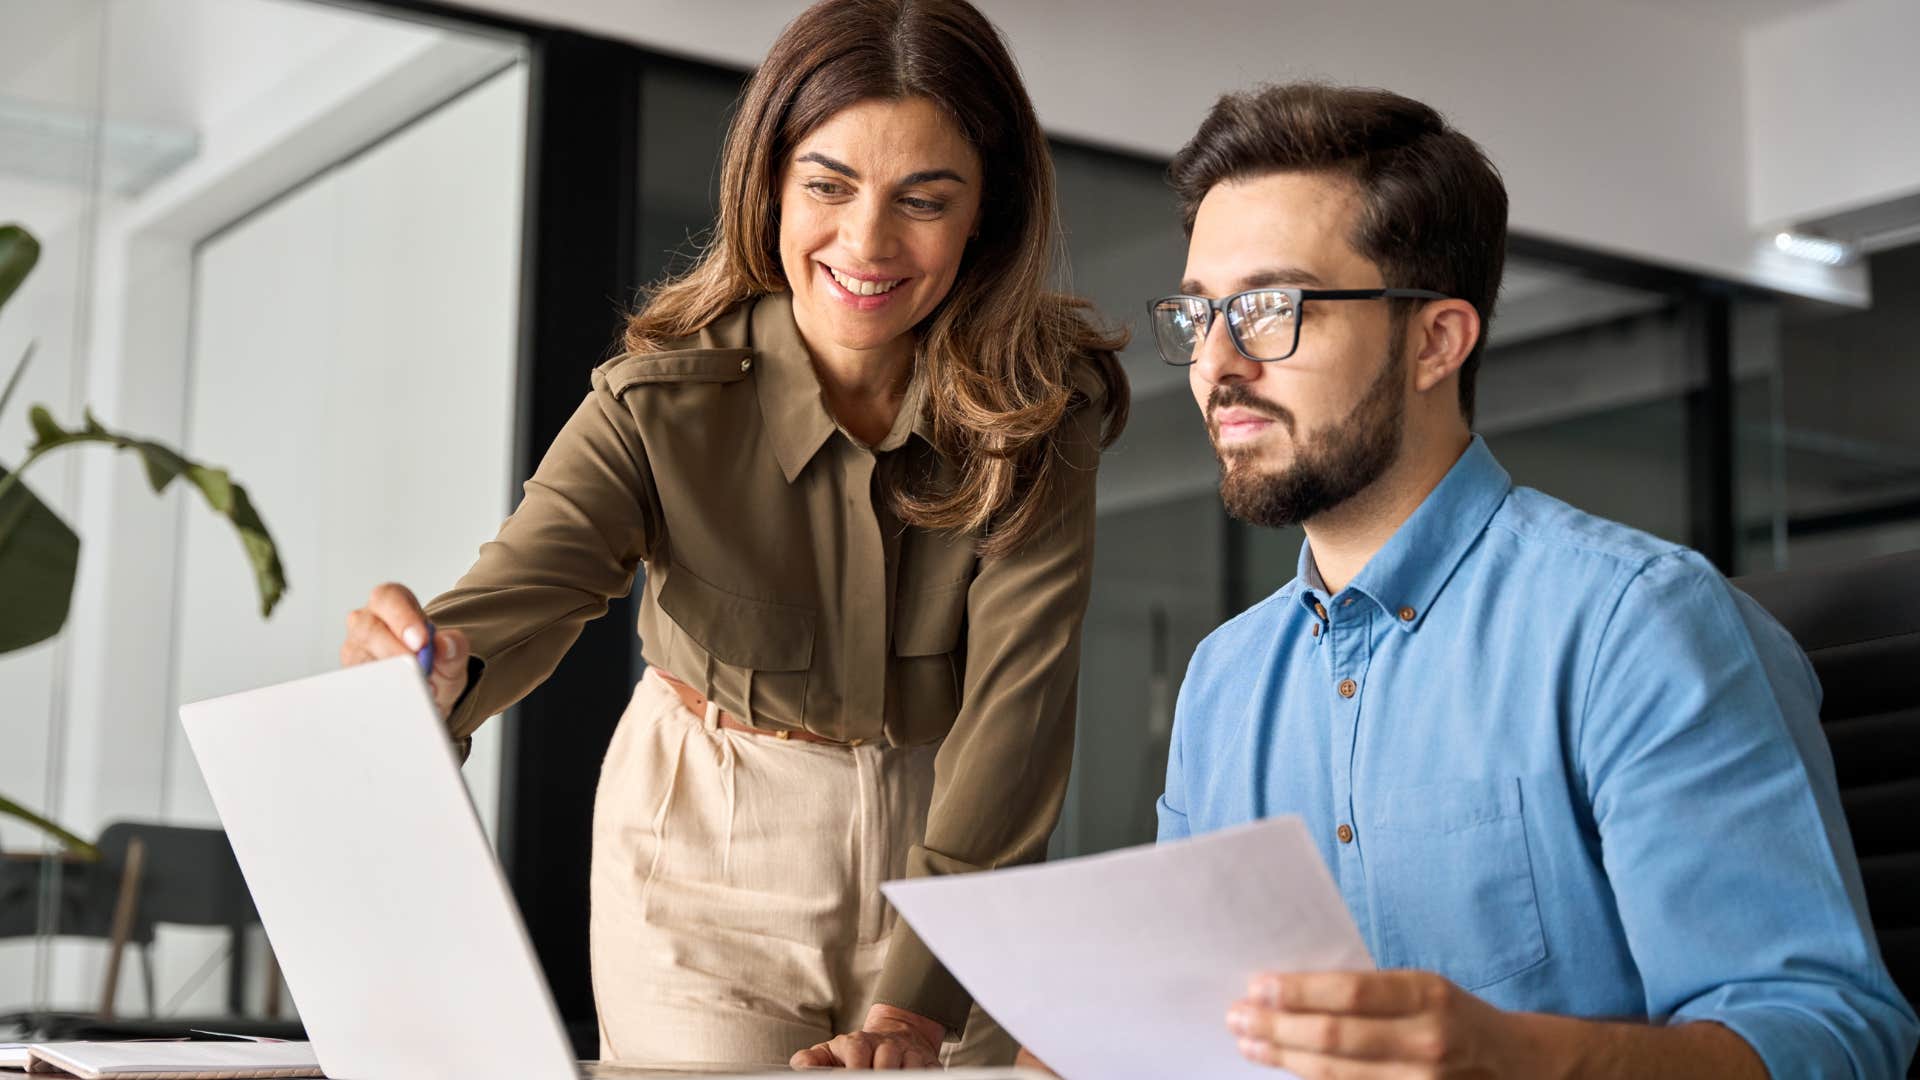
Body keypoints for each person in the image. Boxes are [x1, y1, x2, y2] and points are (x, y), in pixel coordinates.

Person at [336, 0, 1128, 1069]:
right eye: (829, 186)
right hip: (706, 848)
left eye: (924, 201)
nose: (868, 242)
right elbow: (521, 590)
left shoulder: (1041, 409)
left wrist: (917, 1004)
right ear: (769, 184)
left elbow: (1018, 711)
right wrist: (422, 669)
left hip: (958, 843)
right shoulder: (659, 401)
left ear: (986, 214)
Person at [1149, 83, 1918, 1077]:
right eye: (1201, 313)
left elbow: (1832, 1036)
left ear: (1436, 341)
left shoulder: (1637, 624)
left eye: (1269, 308)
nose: (1216, 361)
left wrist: (1520, 1059)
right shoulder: (1222, 683)